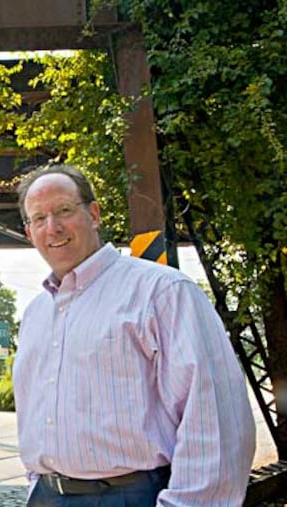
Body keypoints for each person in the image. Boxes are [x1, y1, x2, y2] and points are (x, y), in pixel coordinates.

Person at [13, 164, 256, 506]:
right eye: (39, 219)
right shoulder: (35, 314)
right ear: (29, 232)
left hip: (132, 495)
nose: (52, 228)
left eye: (64, 211)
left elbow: (215, 417)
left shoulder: (163, 292)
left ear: (93, 214)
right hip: (49, 496)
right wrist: (39, 485)